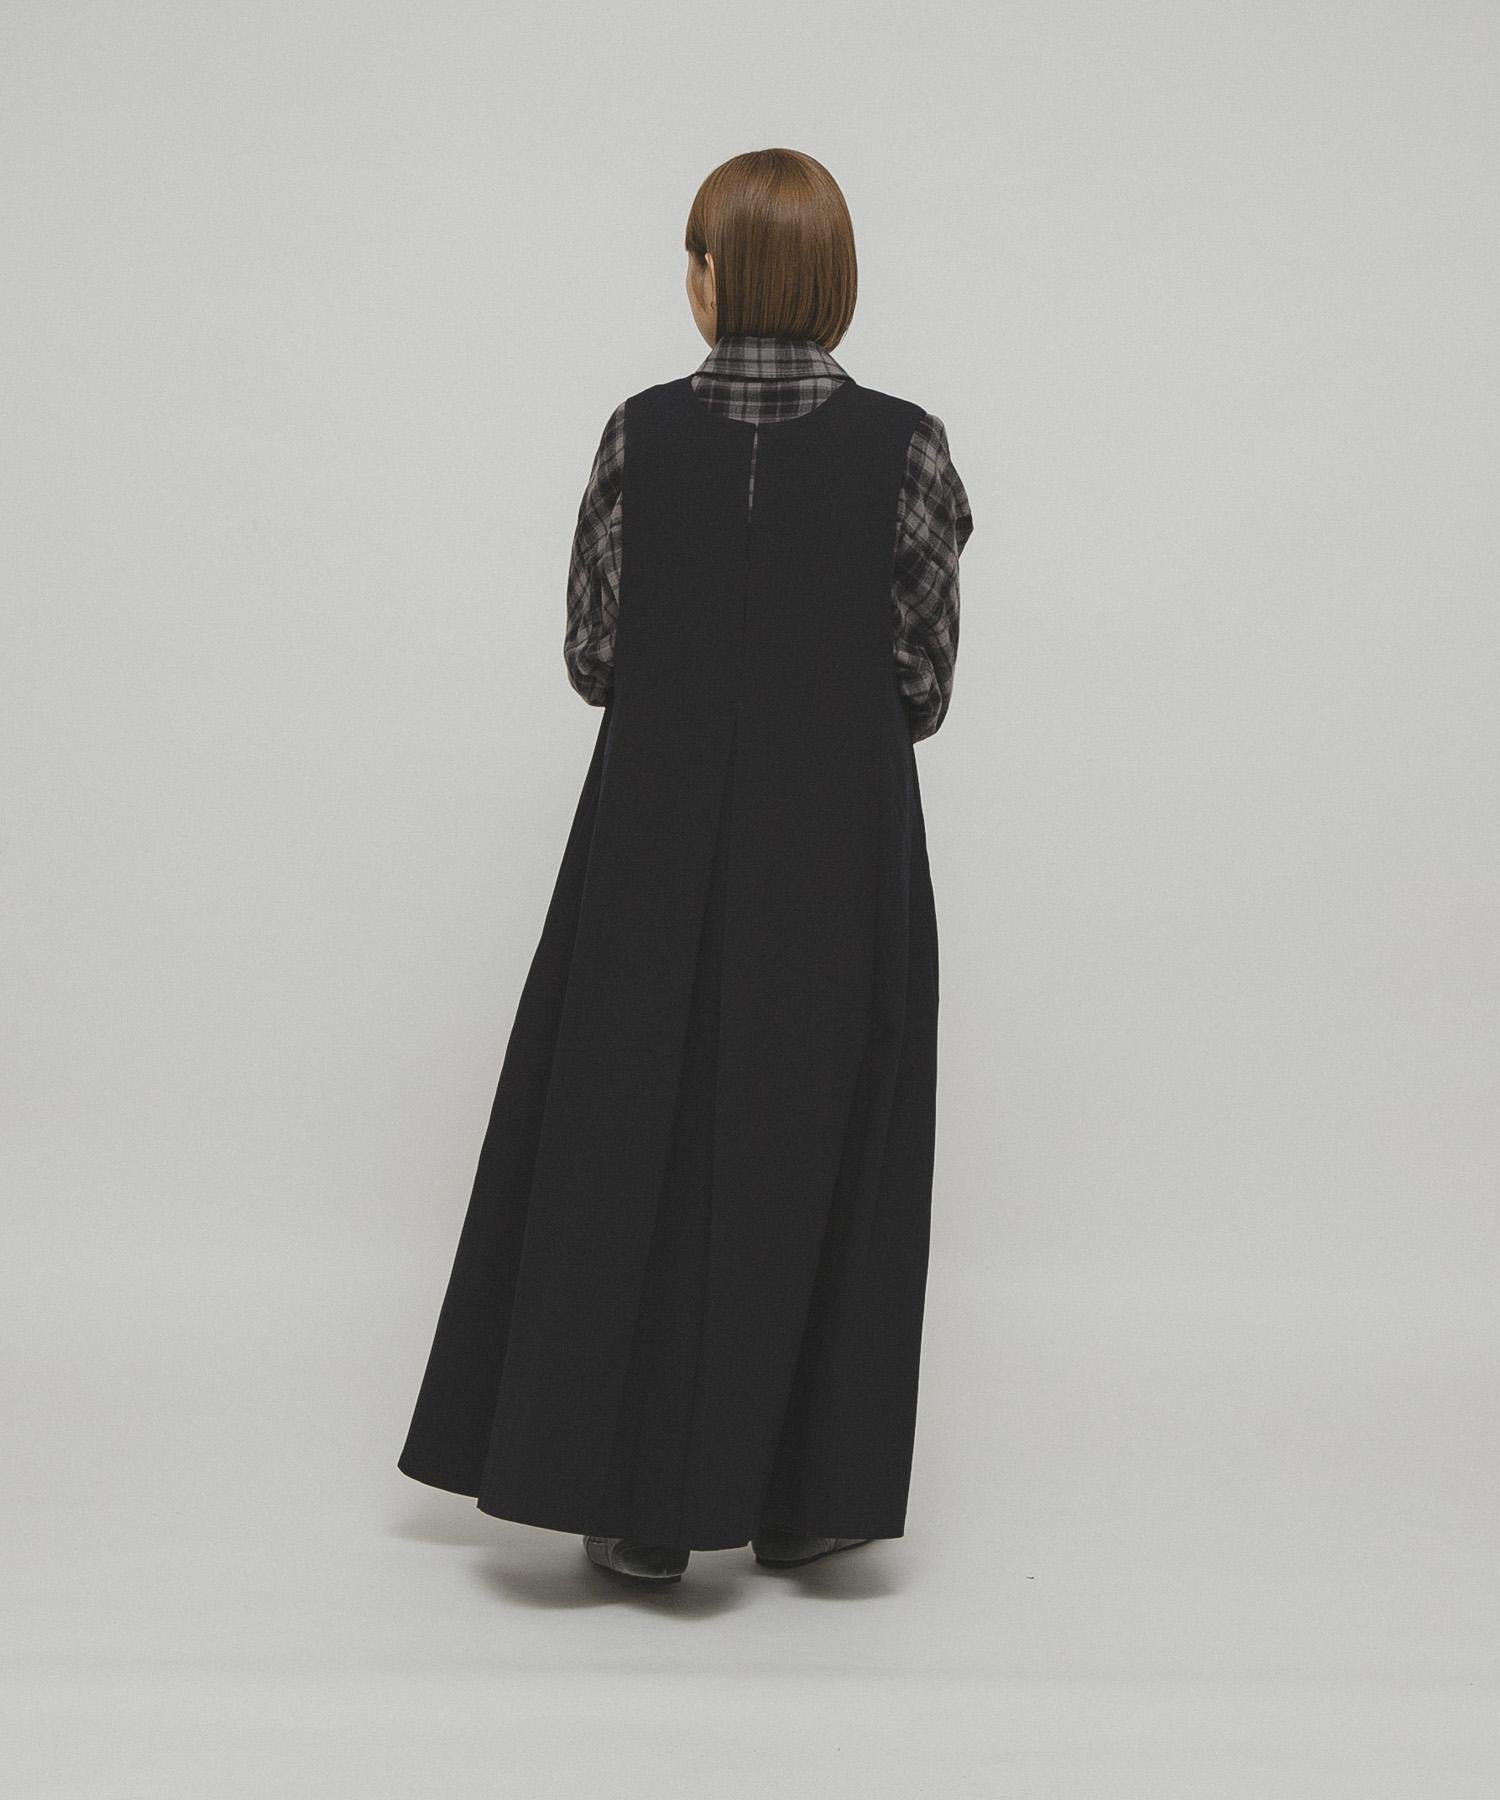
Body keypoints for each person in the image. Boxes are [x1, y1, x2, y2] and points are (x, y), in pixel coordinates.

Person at [397, 147, 975, 1587]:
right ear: (832, 281)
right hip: (839, 846)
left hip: (650, 842)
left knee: (625, 1143)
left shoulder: (639, 437)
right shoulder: (907, 448)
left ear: (718, 278)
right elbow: (921, 681)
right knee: (828, 1139)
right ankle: (809, 1497)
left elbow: (595, 658)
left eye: (693, 256)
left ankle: (636, 1506)